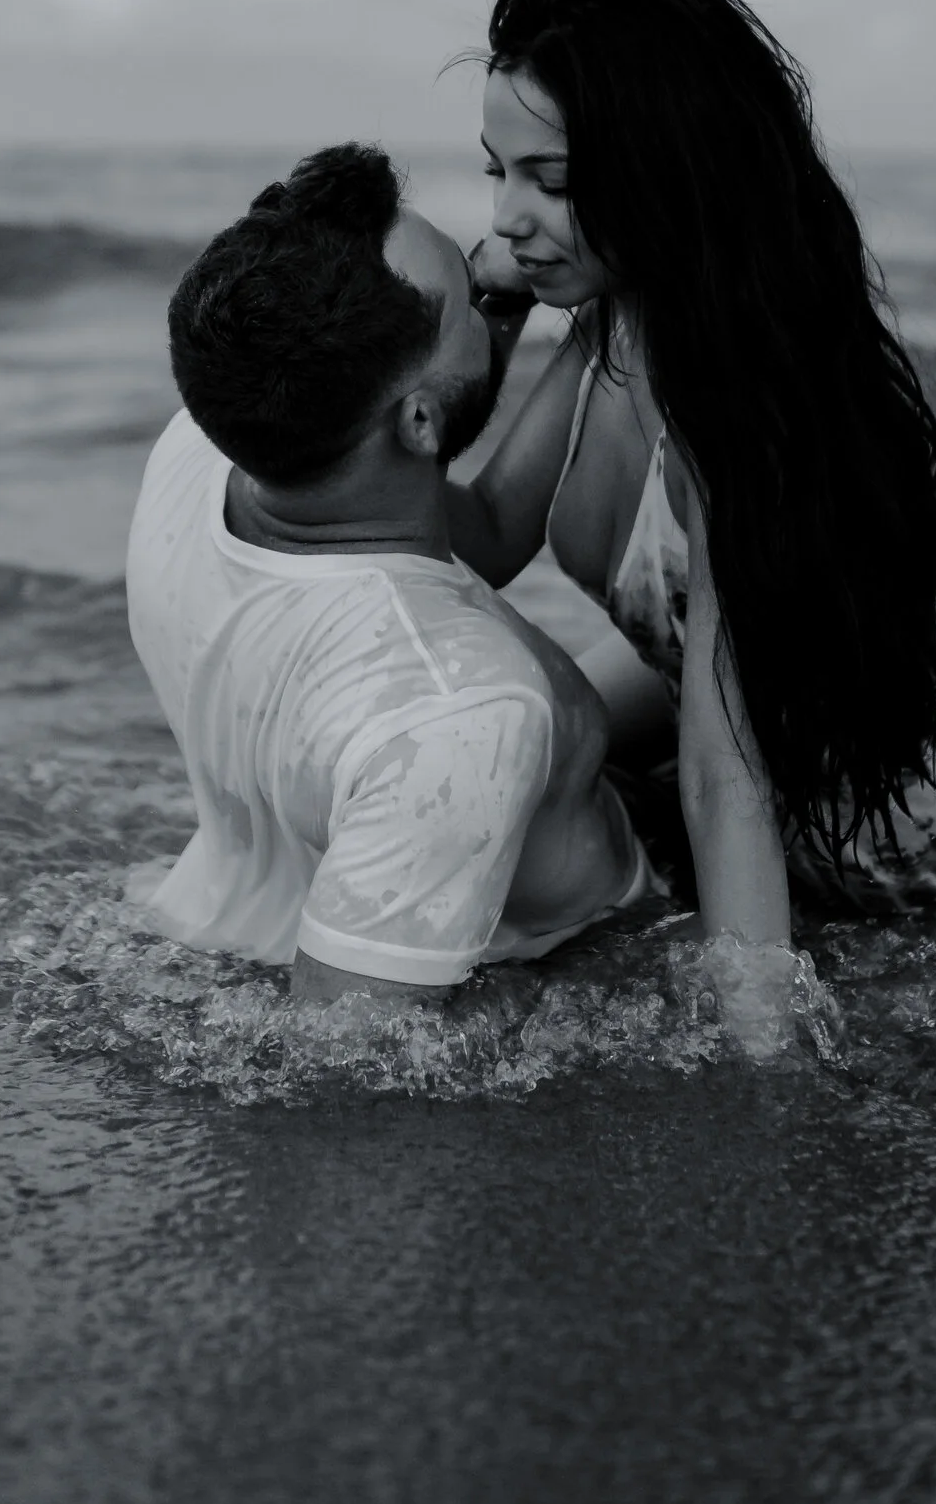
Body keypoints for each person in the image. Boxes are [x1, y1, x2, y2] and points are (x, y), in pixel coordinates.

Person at [450, 0, 936, 957]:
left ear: (665, 168)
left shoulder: (728, 419)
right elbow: (474, 536)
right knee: (516, 758)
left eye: (548, 180)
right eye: (497, 170)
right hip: (768, 655)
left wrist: (757, 1071)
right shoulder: (618, 314)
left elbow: (723, 780)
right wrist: (479, 333)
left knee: (564, 777)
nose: (504, 216)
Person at [124, 142, 662, 1008]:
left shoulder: (211, 443)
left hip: (217, 914)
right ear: (418, 420)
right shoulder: (455, 709)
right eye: (467, 297)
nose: (494, 267)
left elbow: (471, 532)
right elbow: (348, 1064)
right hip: (581, 959)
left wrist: (599, 321)